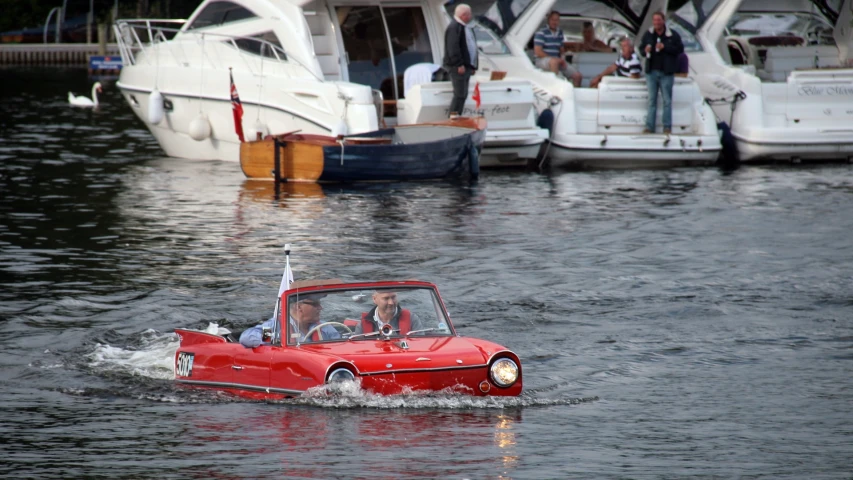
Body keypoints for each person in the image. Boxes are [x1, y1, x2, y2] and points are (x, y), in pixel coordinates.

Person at [239, 293, 340, 347]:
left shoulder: (325, 327)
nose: (320, 308)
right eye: (315, 304)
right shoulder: (276, 326)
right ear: (298, 307)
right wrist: (272, 339)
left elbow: (338, 347)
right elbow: (246, 337)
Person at [639, 11, 684, 134]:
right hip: (651, 72)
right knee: (652, 100)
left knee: (667, 101)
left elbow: (680, 49)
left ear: (663, 21)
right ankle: (649, 127)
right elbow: (641, 49)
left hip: (666, 73)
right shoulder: (648, 34)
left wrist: (665, 47)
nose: (656, 23)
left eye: (658, 20)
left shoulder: (672, 35)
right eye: (654, 20)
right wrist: (645, 50)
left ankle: (667, 127)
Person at [443, 4, 478, 116]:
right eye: (469, 14)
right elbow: (453, 47)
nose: (471, 16)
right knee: (459, 94)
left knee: (464, 94)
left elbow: (469, 46)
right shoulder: (454, 27)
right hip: (458, 67)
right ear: (464, 15)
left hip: (466, 66)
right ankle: (452, 117)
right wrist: (459, 64)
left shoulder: (465, 27)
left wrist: (472, 65)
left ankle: (457, 115)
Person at [533, 11, 582, 87]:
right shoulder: (541, 33)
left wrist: (563, 59)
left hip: (557, 60)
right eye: (553, 20)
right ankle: (556, 88)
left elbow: (561, 50)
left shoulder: (560, 33)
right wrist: (556, 59)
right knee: (554, 62)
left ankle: (573, 93)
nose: (554, 22)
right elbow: (538, 52)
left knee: (578, 76)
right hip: (542, 60)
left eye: (557, 20)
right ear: (548, 20)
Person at [353, 290, 426, 335]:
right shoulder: (363, 324)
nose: (391, 302)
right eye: (386, 298)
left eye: (393, 297)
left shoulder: (412, 319)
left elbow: (421, 347)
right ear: (374, 299)